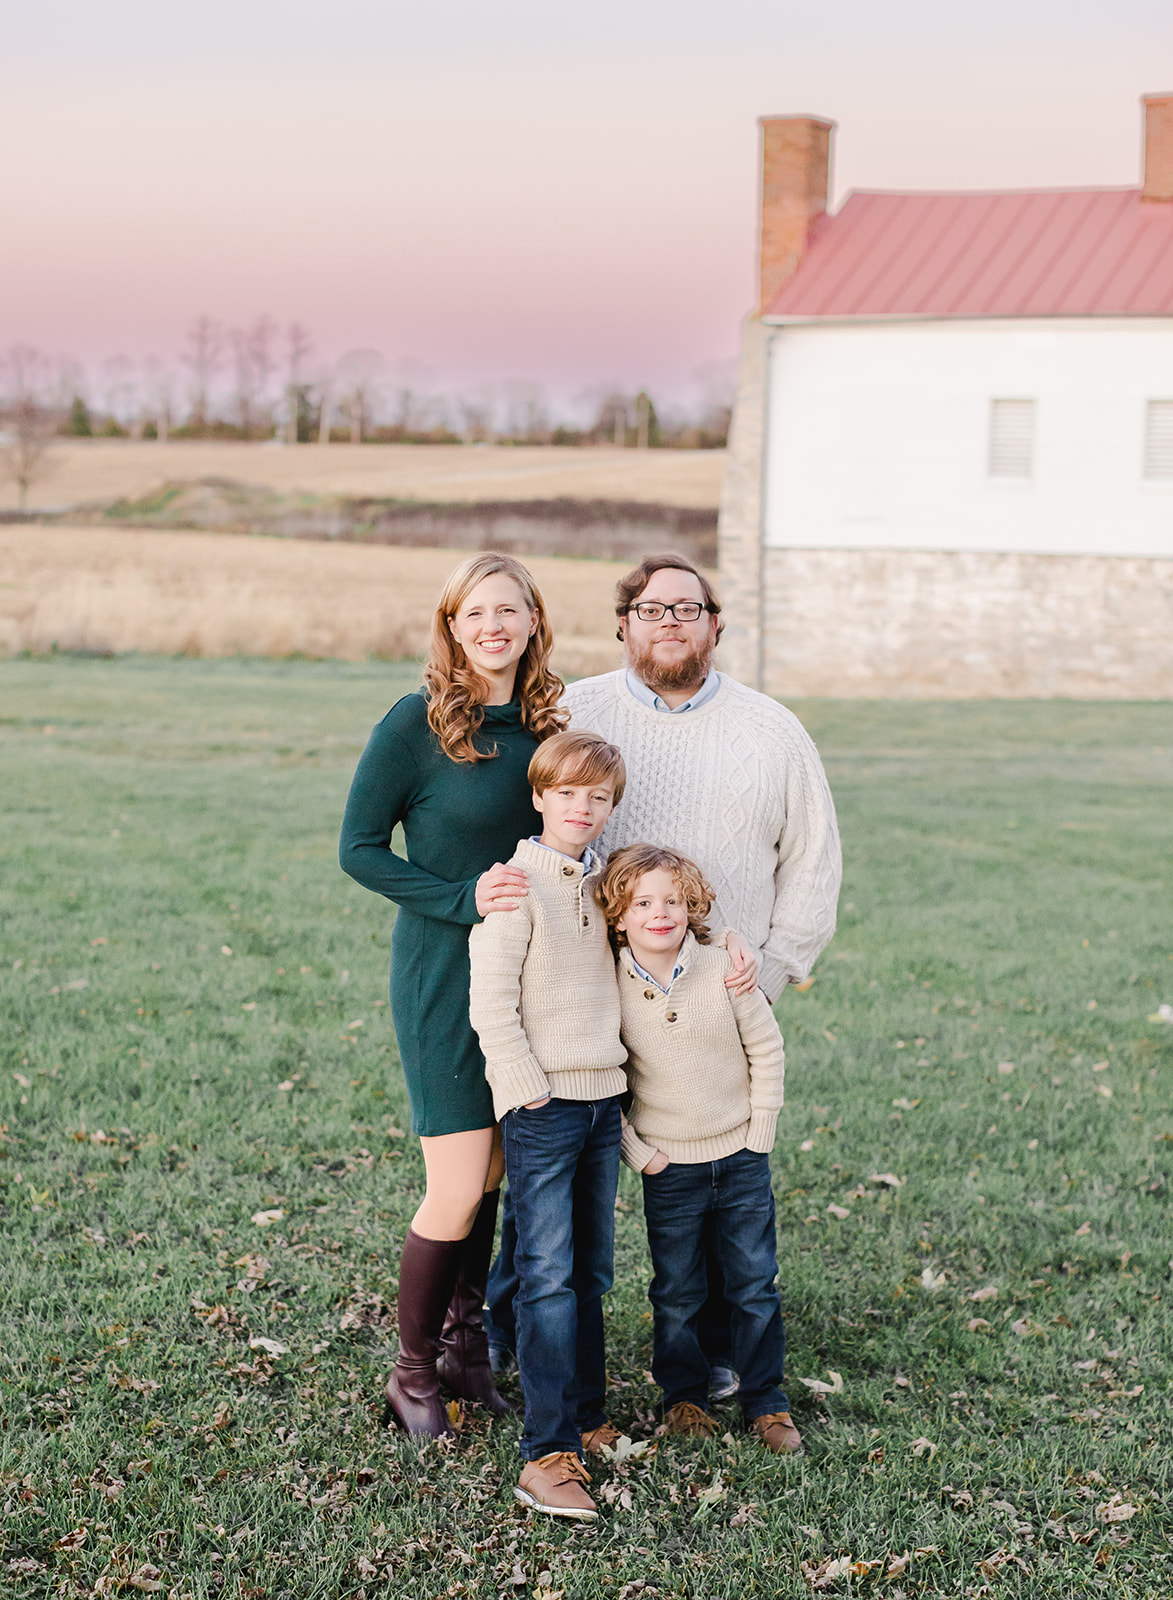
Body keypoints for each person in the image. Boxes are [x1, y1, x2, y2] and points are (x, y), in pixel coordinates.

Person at [486, 552, 841, 1393]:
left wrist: (773, 969)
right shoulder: (577, 709)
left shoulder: (772, 729)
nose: (670, 622)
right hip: (587, 998)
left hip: (718, 992)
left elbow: (814, 859)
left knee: (709, 1171)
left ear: (716, 624)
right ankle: (506, 1334)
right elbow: (528, 812)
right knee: (552, 1182)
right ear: (622, 624)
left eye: (689, 608)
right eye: (651, 610)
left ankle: (713, 1352)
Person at [338, 551, 566, 1438]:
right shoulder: (414, 724)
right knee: (458, 1179)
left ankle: (467, 1351)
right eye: (474, 614)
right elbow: (359, 848)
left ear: (533, 621)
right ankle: (411, 1375)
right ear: (451, 626)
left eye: (508, 610)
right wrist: (457, 896)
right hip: (441, 972)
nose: (492, 626)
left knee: (499, 1169)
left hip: (530, 980)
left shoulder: (549, 727)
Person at [468, 731, 629, 1521]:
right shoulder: (515, 885)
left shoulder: (604, 886)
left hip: (605, 1102)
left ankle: (587, 1413)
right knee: (549, 1274)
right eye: (566, 793)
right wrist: (526, 1091)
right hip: (544, 1108)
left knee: (590, 1268)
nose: (581, 808)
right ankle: (544, 1451)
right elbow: (490, 1001)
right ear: (538, 797)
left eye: (596, 797)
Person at [598, 843, 801, 1455]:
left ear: (692, 907)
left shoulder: (724, 970)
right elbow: (608, 1079)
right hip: (668, 1165)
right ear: (619, 914)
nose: (659, 914)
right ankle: (683, 1396)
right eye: (642, 903)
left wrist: (760, 1128)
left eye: (673, 901)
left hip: (739, 1155)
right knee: (678, 1289)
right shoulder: (609, 985)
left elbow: (766, 1048)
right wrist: (640, 1154)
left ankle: (766, 1400)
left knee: (753, 1282)